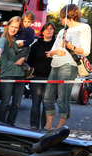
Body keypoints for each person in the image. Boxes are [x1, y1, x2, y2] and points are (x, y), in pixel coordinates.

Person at [43, 4, 91, 132]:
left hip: (69, 66)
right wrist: (54, 53)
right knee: (47, 97)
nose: (60, 20)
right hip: (54, 66)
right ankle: (48, 127)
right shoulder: (62, 31)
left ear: (68, 16)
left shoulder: (84, 27)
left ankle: (59, 130)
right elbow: (51, 51)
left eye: (61, 17)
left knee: (63, 98)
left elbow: (86, 51)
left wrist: (71, 47)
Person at [0, 16, 25, 126]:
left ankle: (11, 125)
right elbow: (0, 47)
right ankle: (1, 125)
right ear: (8, 26)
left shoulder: (20, 41)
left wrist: (23, 58)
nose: (13, 29)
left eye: (16, 27)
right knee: (5, 102)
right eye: (12, 26)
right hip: (7, 74)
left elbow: (26, 51)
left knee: (17, 103)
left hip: (20, 74)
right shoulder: (3, 39)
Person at [27, 22, 56, 130]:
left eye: (51, 29)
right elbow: (30, 61)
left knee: (47, 104)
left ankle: (46, 126)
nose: (49, 30)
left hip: (51, 78)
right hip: (37, 78)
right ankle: (34, 125)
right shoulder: (36, 45)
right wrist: (30, 74)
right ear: (42, 32)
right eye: (47, 29)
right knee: (36, 103)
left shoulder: (56, 45)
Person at [16, 11, 35, 79]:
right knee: (18, 58)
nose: (26, 23)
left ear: (32, 22)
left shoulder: (30, 30)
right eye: (25, 21)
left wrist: (24, 43)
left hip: (25, 47)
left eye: (29, 21)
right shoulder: (21, 29)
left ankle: (28, 69)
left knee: (18, 59)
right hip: (20, 47)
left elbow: (31, 39)